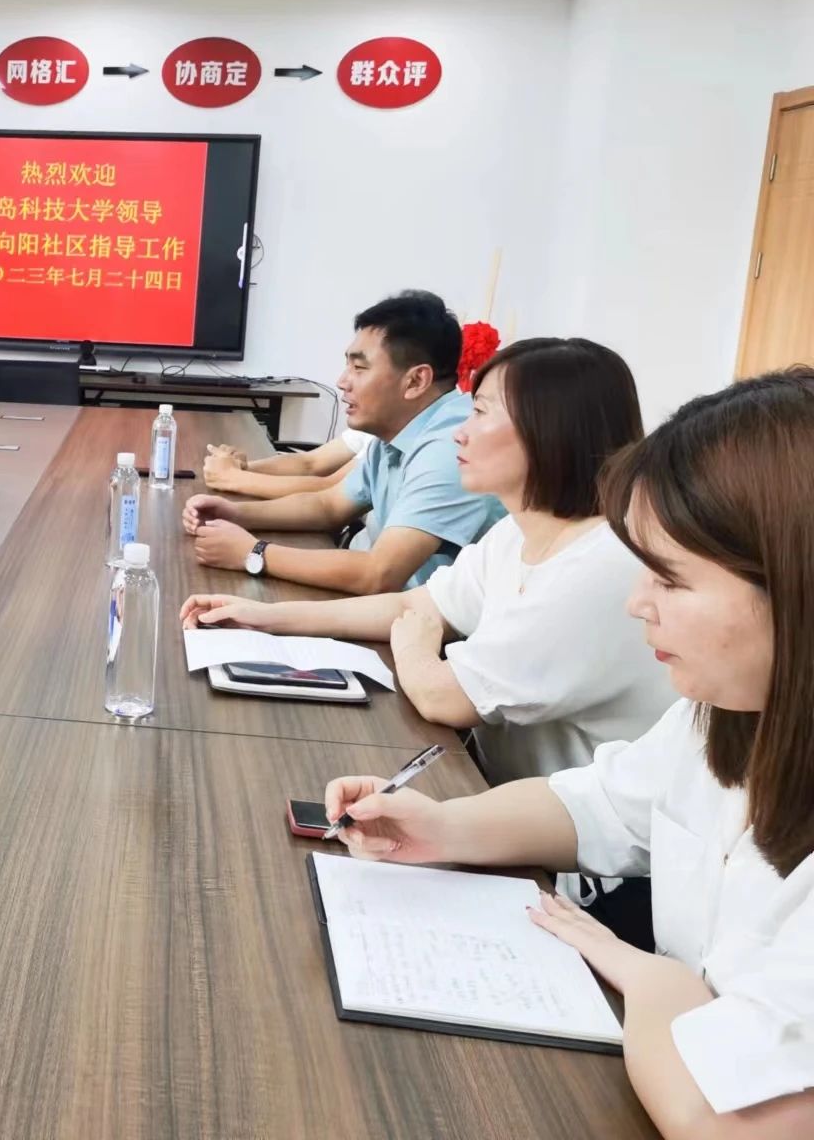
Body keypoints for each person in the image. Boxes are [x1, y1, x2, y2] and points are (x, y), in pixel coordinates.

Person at [321, 369, 814, 1139]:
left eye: (671, 579)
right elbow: (598, 804)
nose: (637, 602)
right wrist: (443, 827)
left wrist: (654, 981)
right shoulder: (723, 715)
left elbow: (730, 1124)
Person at [183, 338, 672, 785]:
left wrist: (416, 646)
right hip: (494, 783)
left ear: (550, 430)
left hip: (567, 839)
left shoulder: (600, 565)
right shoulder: (519, 532)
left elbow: (443, 696)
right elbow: (412, 606)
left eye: (480, 412)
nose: (461, 432)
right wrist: (264, 617)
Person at [182, 290, 502, 592]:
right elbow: (329, 506)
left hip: (432, 625)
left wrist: (253, 553)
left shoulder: (452, 446)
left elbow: (380, 574)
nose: (342, 381)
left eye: (359, 368)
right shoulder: (397, 431)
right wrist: (235, 514)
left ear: (416, 381)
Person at [202, 428, 372, 500]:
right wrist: (242, 467)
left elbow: (333, 488)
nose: (341, 382)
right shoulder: (370, 430)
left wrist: (232, 477)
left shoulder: (382, 441)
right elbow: (310, 463)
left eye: (359, 368)